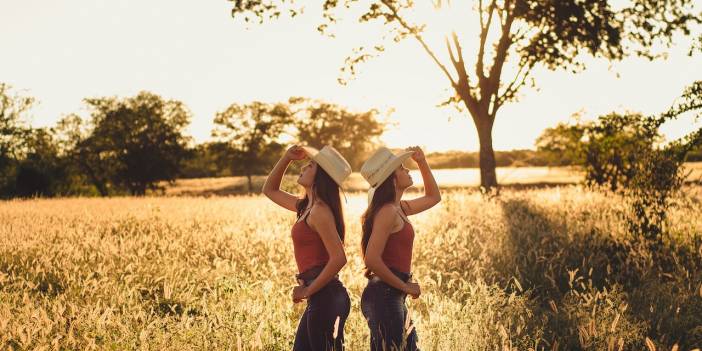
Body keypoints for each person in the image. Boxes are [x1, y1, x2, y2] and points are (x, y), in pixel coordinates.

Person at [262, 144, 352, 350]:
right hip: (320, 296)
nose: (302, 168)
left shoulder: (319, 210)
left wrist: (308, 289)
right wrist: (286, 158)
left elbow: (339, 258)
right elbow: (270, 190)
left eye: (310, 166)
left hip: (326, 295)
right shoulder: (306, 207)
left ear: (321, 176)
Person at [359, 146, 441, 351]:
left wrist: (422, 162)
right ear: (392, 179)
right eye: (402, 169)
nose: (408, 171)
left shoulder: (399, 208)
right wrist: (405, 286)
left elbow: (433, 197)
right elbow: (372, 259)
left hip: (391, 294)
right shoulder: (388, 211)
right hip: (385, 294)